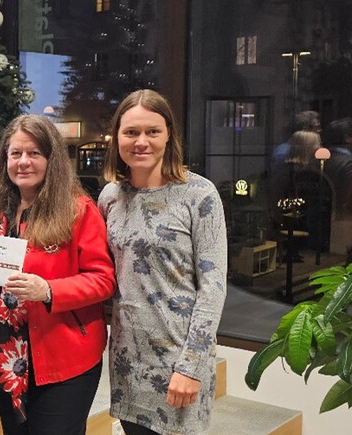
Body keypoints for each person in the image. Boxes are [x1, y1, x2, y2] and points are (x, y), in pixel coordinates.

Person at [0, 115, 115, 434]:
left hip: (65, 358)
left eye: (34, 153)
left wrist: (48, 290)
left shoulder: (78, 210)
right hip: (8, 356)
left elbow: (103, 280)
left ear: (51, 159)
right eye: (15, 153)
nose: (23, 162)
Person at [97, 89, 228, 435]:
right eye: (131, 132)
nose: (141, 141)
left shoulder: (199, 194)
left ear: (169, 134)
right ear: (118, 138)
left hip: (178, 360)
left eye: (152, 131)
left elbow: (213, 287)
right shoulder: (111, 196)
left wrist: (191, 366)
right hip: (128, 360)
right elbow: (102, 272)